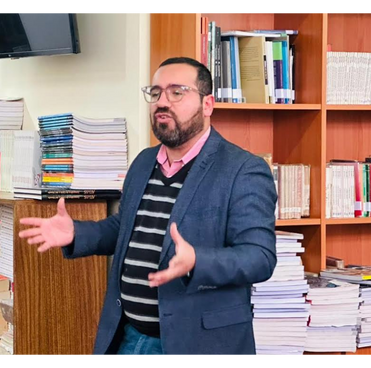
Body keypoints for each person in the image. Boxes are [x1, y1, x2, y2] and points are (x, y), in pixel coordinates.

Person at [18, 57, 277, 358]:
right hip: (129, 338)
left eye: (177, 92)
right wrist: (77, 233)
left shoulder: (243, 169)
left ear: (207, 104)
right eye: (155, 93)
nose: (162, 102)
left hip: (197, 345)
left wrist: (197, 261)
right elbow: (124, 227)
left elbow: (259, 258)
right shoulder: (144, 162)